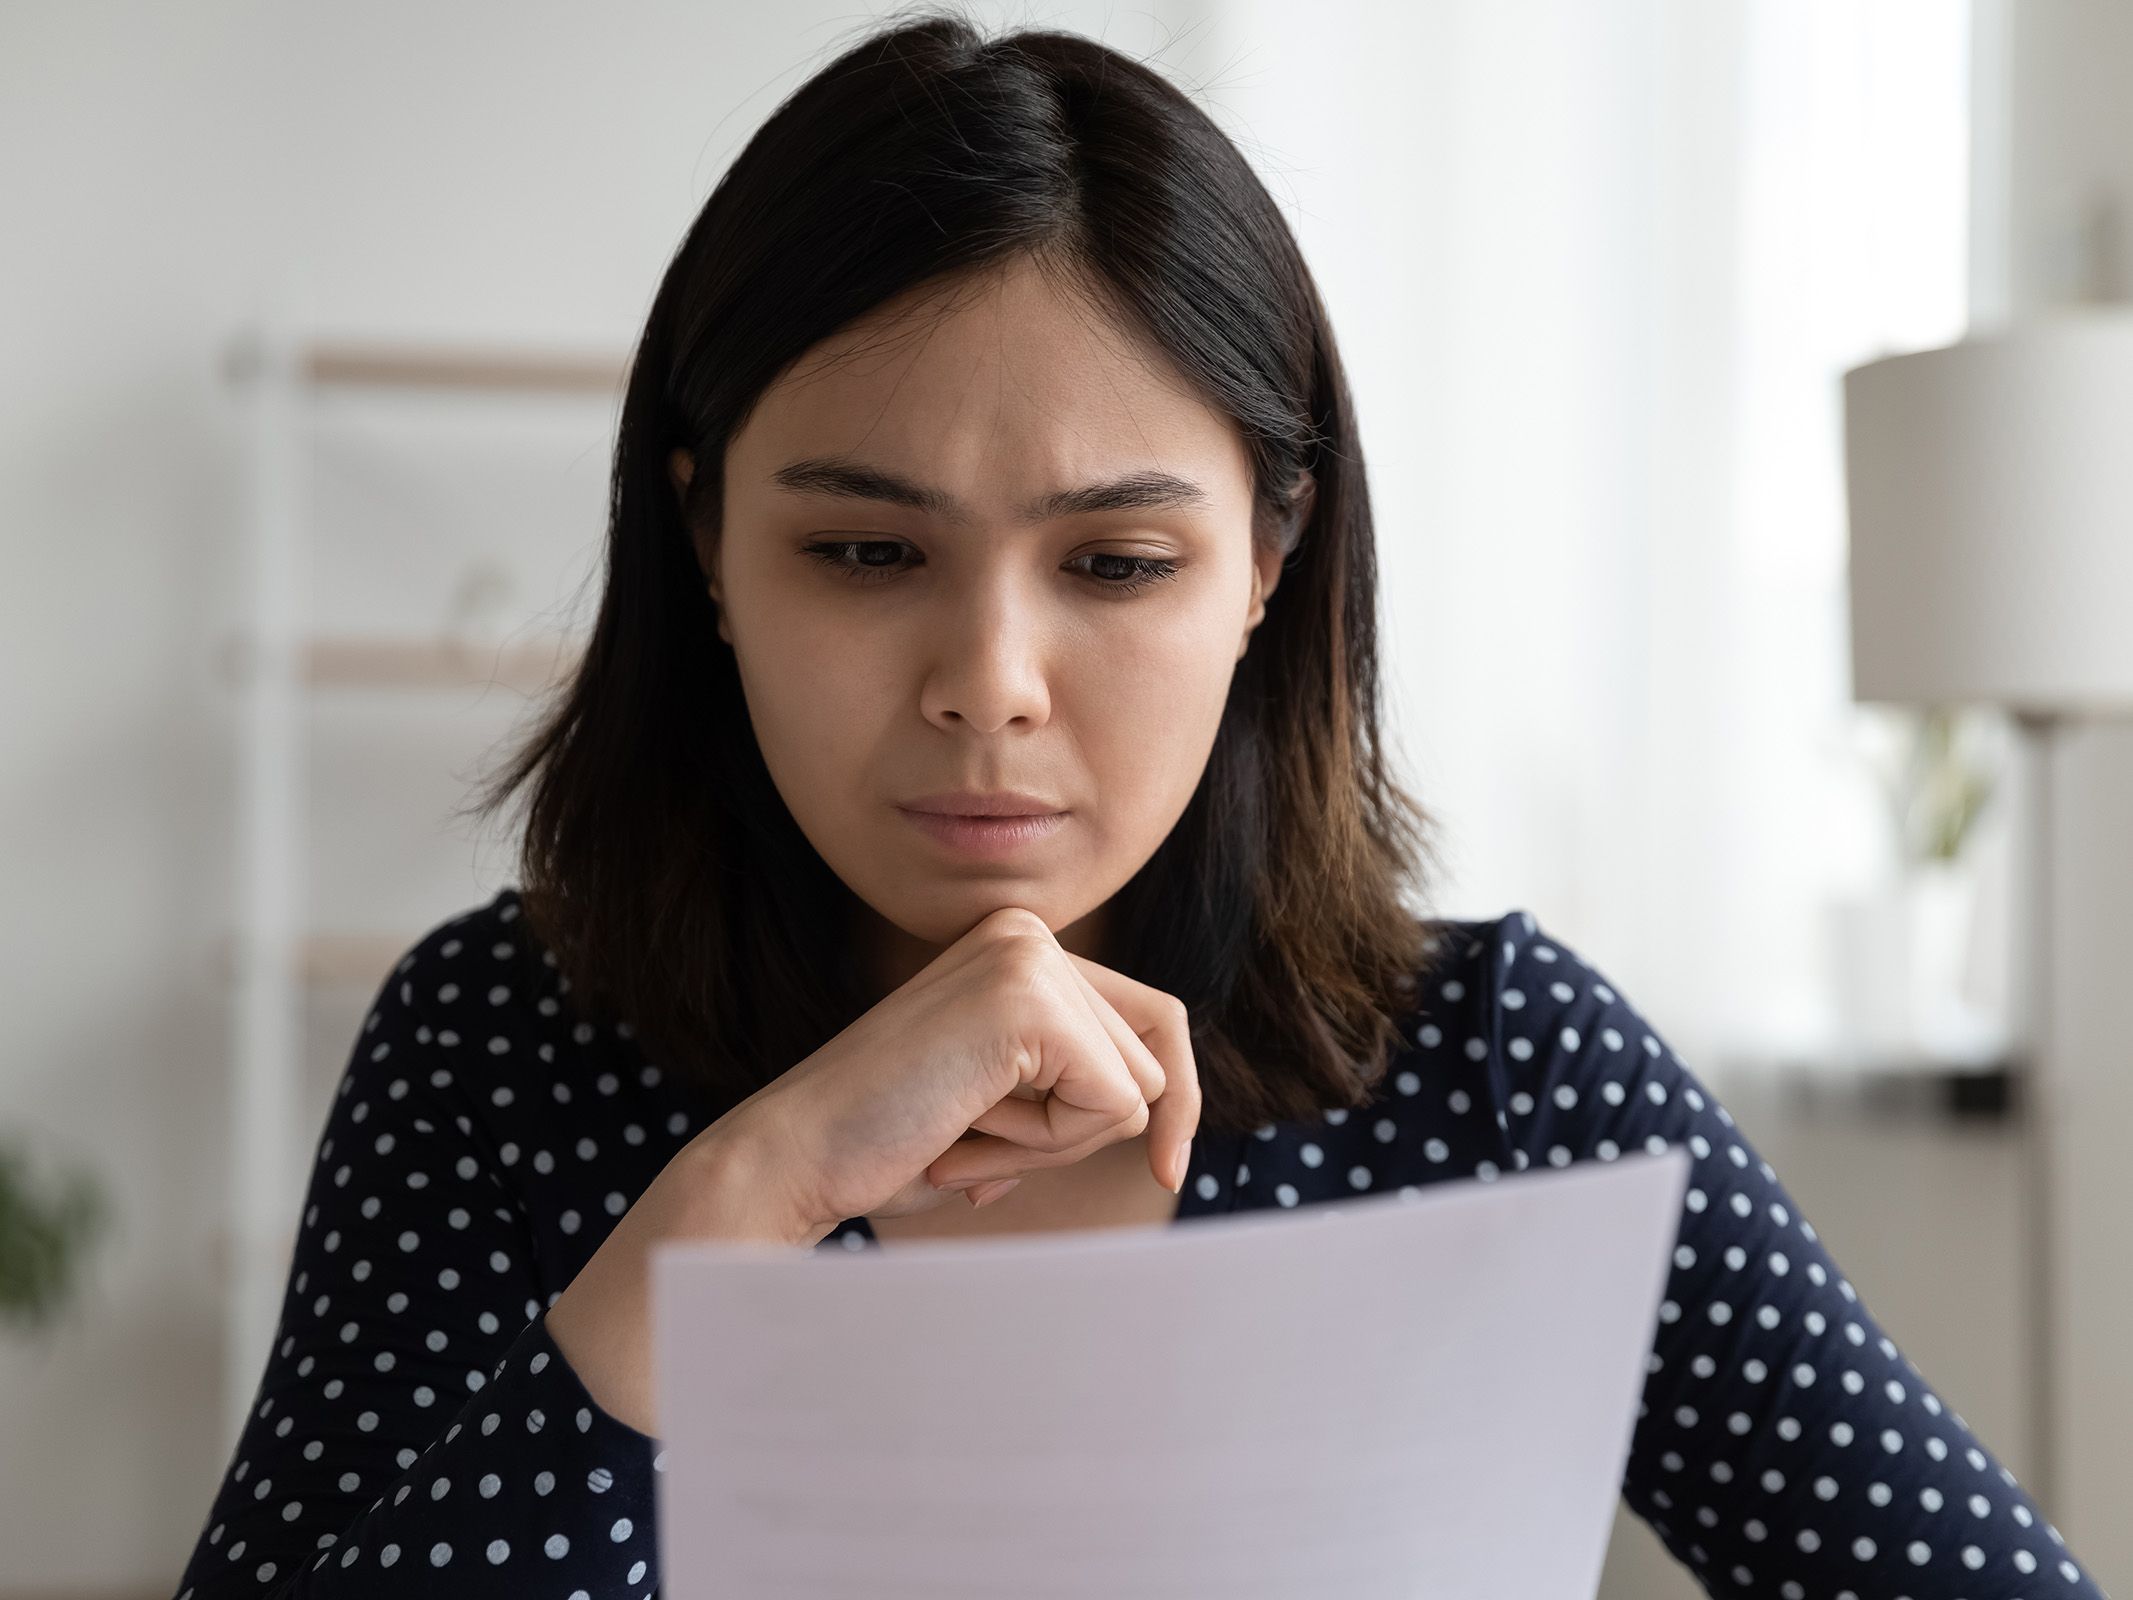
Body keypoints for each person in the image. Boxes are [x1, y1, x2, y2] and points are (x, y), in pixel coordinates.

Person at [171, 11, 2106, 1598]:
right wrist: (749, 1199)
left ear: (1268, 560)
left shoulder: (1498, 1076)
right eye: (862, 552)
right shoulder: (495, 1055)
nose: (988, 680)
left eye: (1112, 566)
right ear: (701, 537)